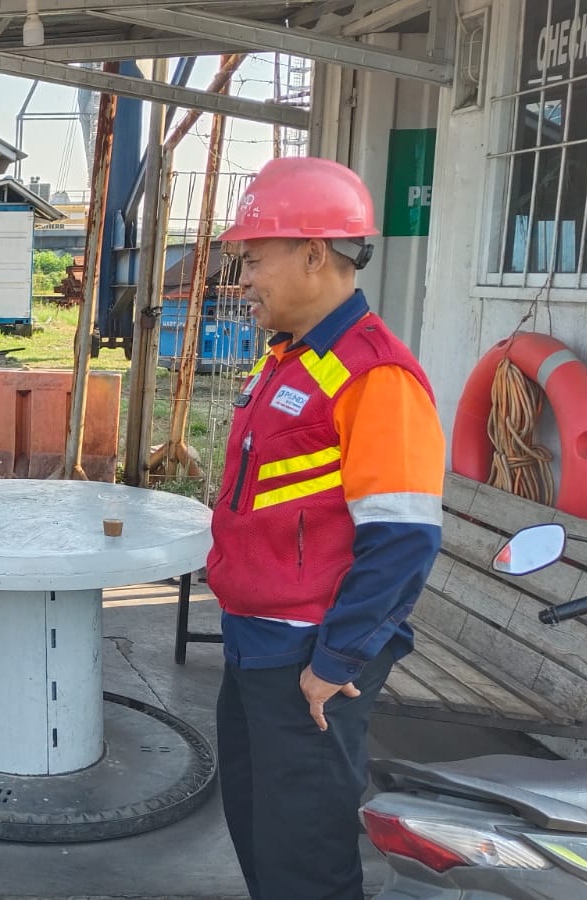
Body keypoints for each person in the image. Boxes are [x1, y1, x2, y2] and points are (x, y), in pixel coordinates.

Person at [206, 157, 445, 900]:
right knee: (261, 838)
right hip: (255, 646)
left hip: (308, 664)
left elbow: (403, 540)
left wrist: (335, 662)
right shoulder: (292, 359)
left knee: (305, 860)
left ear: (314, 254)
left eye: (254, 260)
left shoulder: (375, 376)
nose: (245, 280)